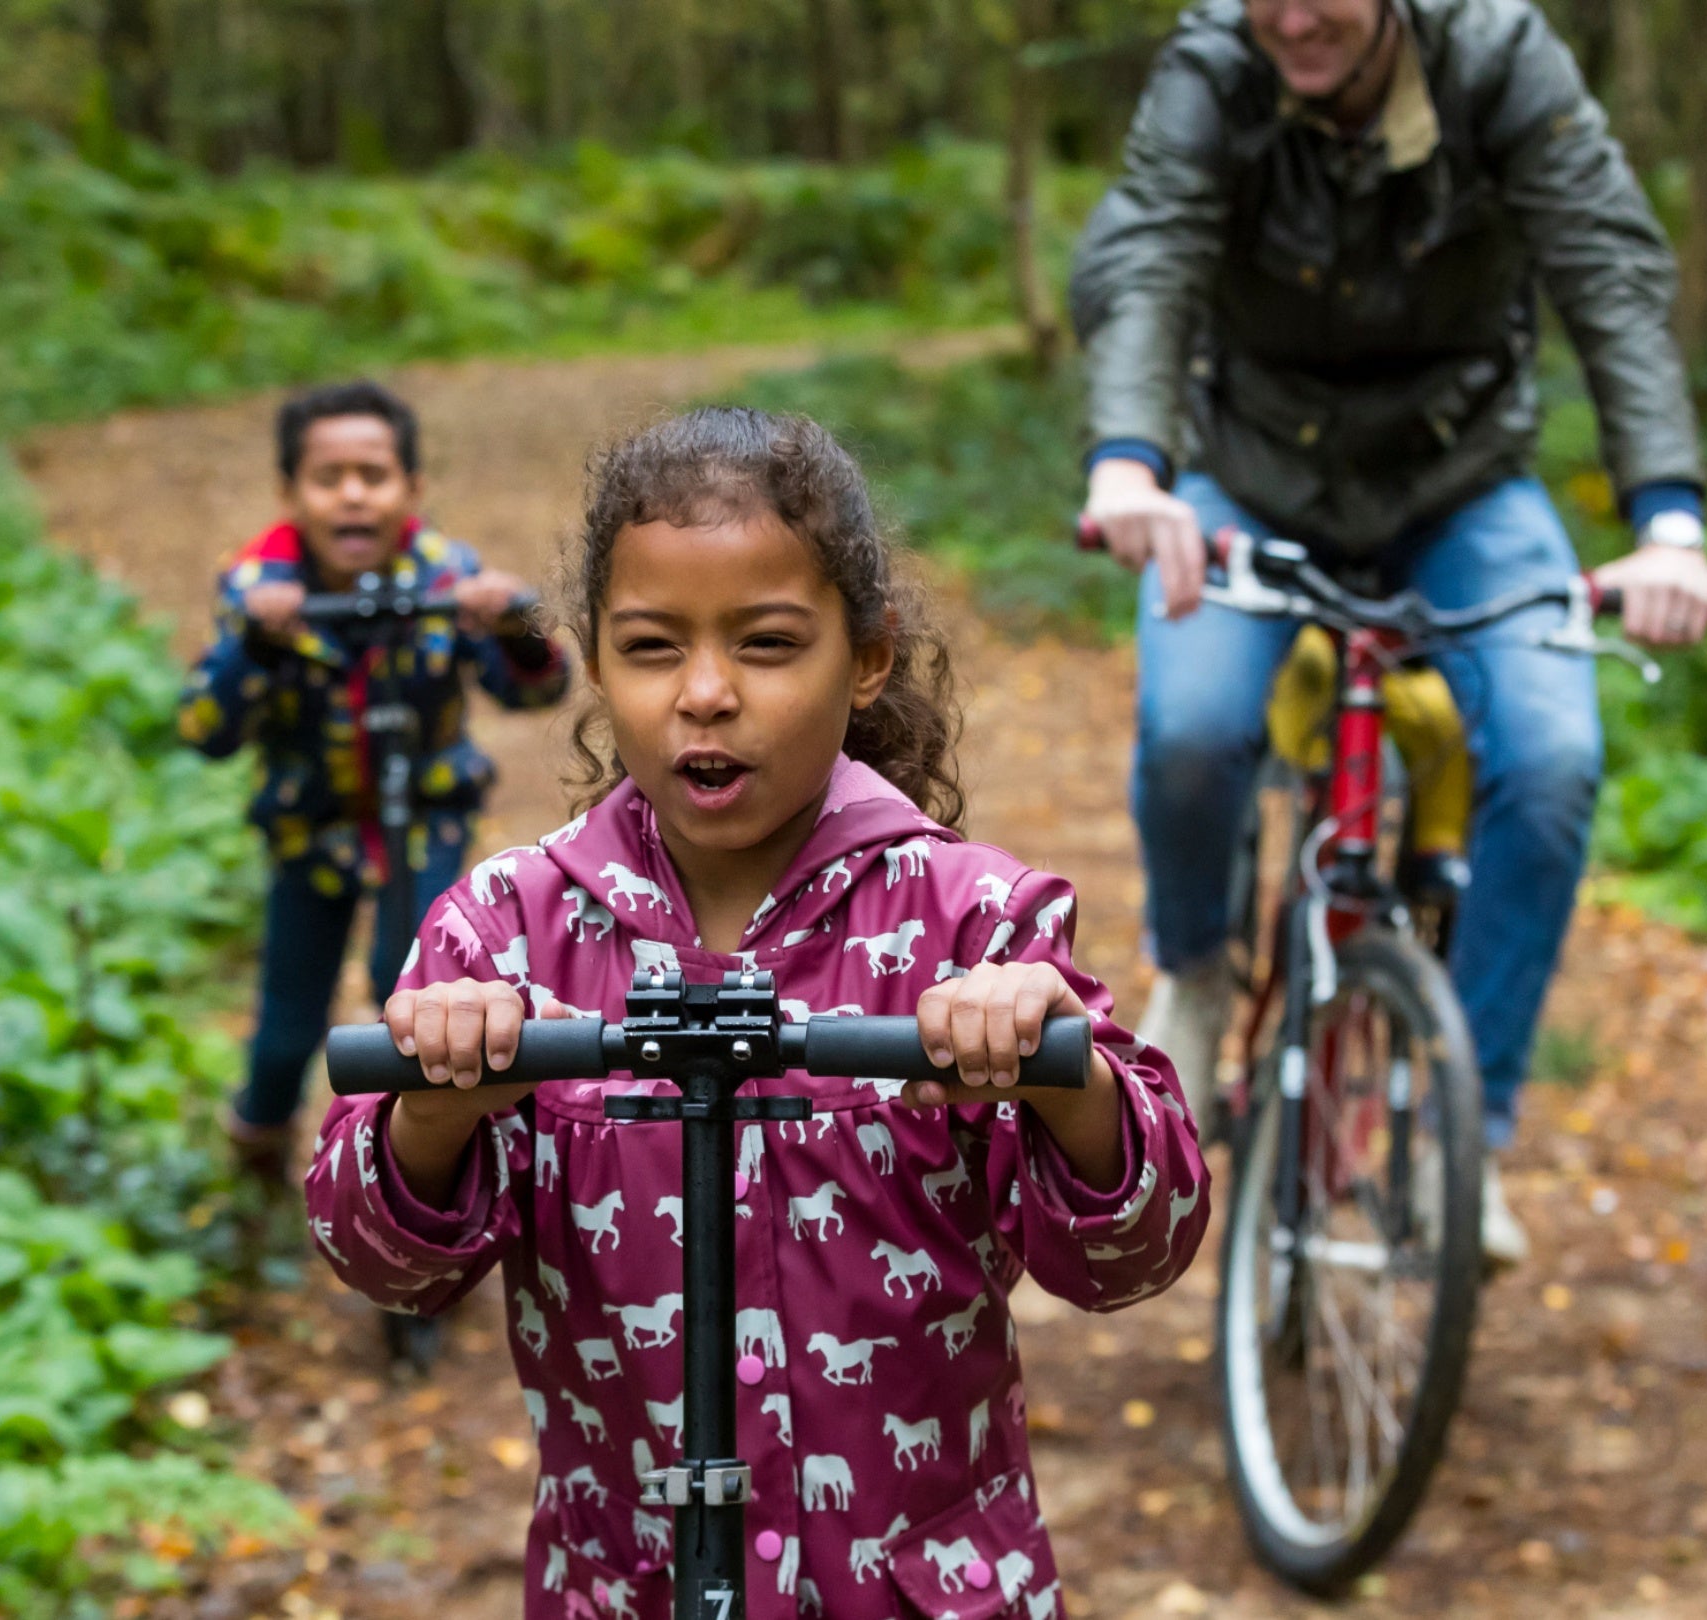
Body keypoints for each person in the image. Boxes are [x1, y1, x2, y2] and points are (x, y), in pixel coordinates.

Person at [307, 408, 1209, 1616]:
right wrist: (433, 1113)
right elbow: (378, 1260)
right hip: (626, 1587)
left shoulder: (973, 924)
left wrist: (1070, 1083)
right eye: (651, 647)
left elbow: (1134, 1252)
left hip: (923, 1589)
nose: (708, 694)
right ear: (592, 657)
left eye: (771, 644)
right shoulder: (504, 937)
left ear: (868, 656)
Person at [1069, 0, 1707, 1265]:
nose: (1295, 17)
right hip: (1247, 477)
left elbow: (1610, 272)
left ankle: (1463, 1120)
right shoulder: (1216, 67)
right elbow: (1148, 256)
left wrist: (1670, 522)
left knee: (1549, 759)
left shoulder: (1499, 60)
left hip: (1460, 486)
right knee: (1196, 726)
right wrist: (1128, 465)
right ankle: (1197, 972)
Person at [178, 380, 569, 1191]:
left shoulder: (446, 575)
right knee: (289, 1023)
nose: (353, 495)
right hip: (308, 829)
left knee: (416, 983)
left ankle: (421, 1166)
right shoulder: (258, 589)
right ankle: (256, 1158)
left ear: (412, 490)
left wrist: (508, 620)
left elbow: (536, 688)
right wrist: (258, 640)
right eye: (329, 478)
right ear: (291, 494)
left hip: (423, 820)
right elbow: (206, 731)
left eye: (375, 474)